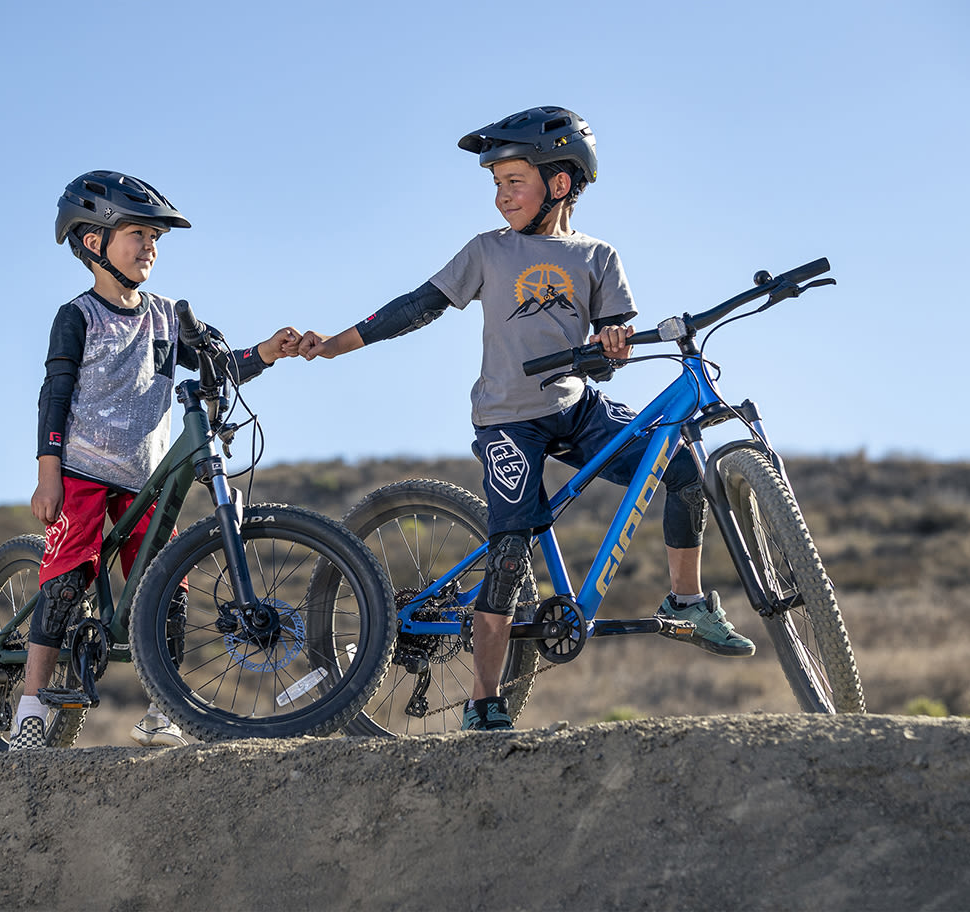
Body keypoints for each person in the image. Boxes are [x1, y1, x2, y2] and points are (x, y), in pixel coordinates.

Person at [298, 107, 755, 732]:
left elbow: (602, 362)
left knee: (677, 470)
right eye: (495, 184)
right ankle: (484, 701)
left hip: (576, 409)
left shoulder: (599, 256)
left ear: (559, 183)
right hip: (508, 422)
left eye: (513, 180)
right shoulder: (488, 251)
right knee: (510, 550)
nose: (500, 195)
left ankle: (685, 602)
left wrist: (610, 349)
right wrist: (341, 341)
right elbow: (419, 305)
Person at [11, 170, 300, 751]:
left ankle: (161, 708)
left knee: (166, 585)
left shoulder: (167, 315)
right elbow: (55, 396)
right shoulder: (78, 317)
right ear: (95, 244)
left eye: (155, 239)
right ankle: (31, 702)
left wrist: (266, 352)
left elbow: (218, 366)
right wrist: (47, 475)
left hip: (145, 476)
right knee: (67, 581)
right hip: (83, 472)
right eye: (138, 235)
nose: (150, 247)